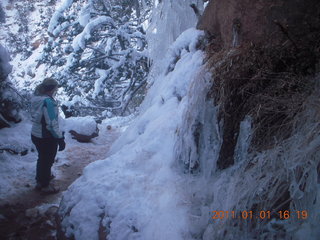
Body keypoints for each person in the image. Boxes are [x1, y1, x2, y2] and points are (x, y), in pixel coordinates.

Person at [30, 78, 66, 193]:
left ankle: (40, 180)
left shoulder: (36, 98)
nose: (55, 91)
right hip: (46, 136)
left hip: (35, 134)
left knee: (42, 158)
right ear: (51, 89)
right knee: (48, 160)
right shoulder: (48, 102)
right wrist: (60, 138)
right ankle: (45, 186)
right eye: (55, 89)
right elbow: (51, 123)